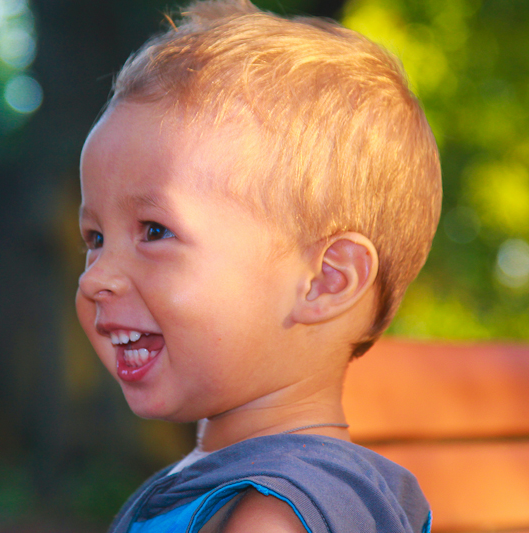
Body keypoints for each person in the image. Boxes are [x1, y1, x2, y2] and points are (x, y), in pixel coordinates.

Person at [75, 1, 442, 531]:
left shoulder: (277, 513)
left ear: (325, 281)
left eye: (155, 232)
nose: (95, 278)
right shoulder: (227, 486)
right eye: (95, 238)